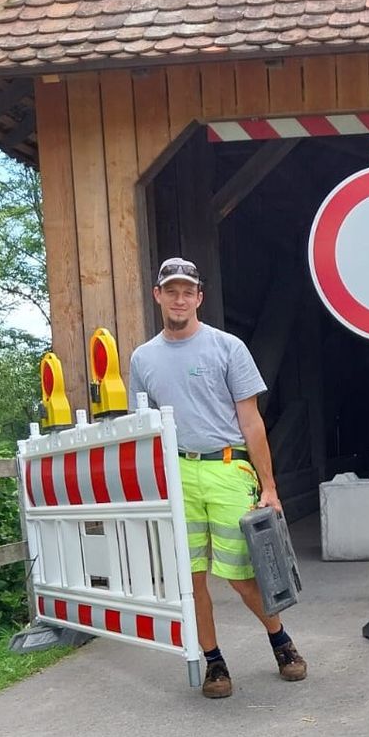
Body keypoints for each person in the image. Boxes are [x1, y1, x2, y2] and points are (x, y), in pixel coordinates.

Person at [129, 257, 307, 699]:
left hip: (227, 467)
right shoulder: (143, 358)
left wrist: (270, 487)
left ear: (199, 298)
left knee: (242, 574)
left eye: (187, 291)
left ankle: (280, 641)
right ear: (158, 296)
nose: (179, 298)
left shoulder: (227, 347)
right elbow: (143, 427)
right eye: (171, 290)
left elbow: (251, 422)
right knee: (191, 578)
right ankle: (214, 664)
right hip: (177, 474)